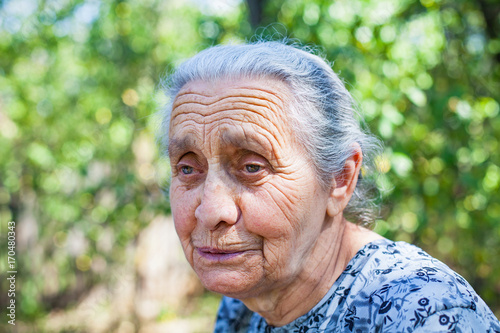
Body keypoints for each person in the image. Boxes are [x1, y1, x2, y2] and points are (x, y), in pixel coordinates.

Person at [159, 40, 500, 332]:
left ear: (340, 178)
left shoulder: (419, 313)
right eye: (188, 168)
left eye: (252, 167)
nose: (210, 211)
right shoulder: (242, 308)